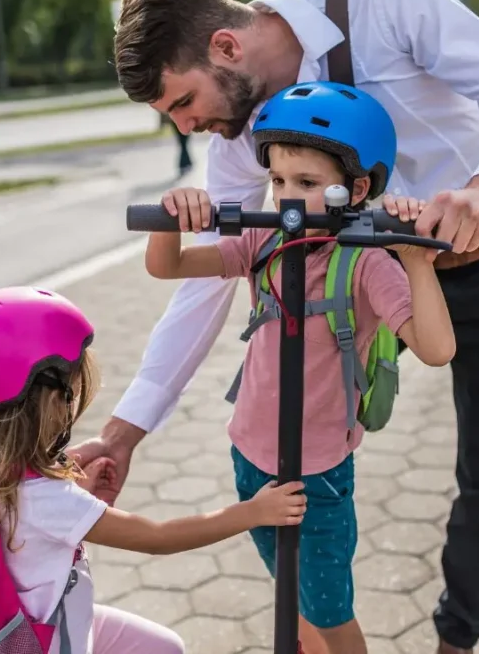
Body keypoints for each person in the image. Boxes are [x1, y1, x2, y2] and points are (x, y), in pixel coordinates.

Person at [81, 0, 479, 651]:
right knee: (304, 420)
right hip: (369, 274)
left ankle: (458, 634)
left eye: (184, 102)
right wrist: (125, 433)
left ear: (225, 46)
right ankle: (317, 612)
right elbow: (206, 281)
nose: (188, 126)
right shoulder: (237, 139)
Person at [142, 81, 455, 654]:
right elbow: (171, 266)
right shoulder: (263, 240)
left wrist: (416, 260)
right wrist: (172, 217)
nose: (286, 196)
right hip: (251, 456)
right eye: (279, 181)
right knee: (291, 594)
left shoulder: (366, 263)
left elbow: (436, 349)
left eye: (307, 184)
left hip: (317, 476)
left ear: (356, 189)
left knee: (329, 612)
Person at [0, 286, 307, 654]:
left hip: (37, 620)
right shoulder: (47, 499)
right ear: (52, 399)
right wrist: (254, 512)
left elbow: (28, 526)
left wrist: (79, 492)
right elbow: (158, 537)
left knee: (163, 648)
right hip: (49, 640)